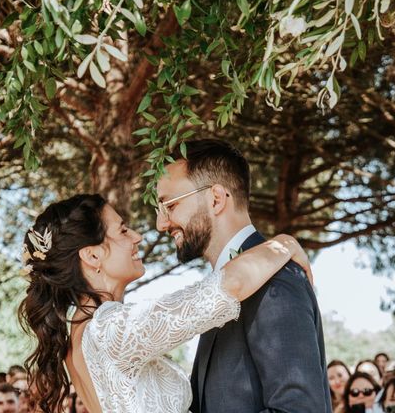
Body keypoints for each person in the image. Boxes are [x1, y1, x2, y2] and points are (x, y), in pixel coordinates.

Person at [18, 193, 313, 413]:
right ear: (92, 256)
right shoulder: (108, 329)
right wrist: (285, 243)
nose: (136, 237)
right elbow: (228, 286)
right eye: (122, 230)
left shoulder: (80, 335)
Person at [156, 139, 330, 413]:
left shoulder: (276, 280)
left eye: (170, 205)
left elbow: (299, 409)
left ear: (216, 198)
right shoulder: (219, 290)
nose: (161, 223)